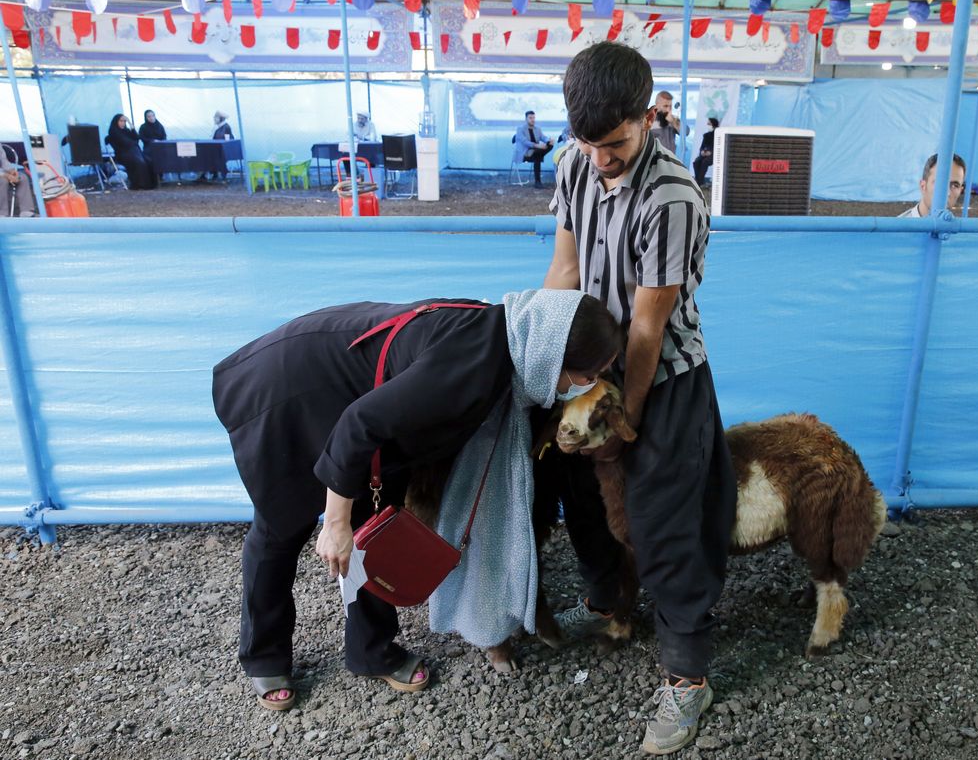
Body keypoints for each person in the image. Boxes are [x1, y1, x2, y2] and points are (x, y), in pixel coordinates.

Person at [212, 291, 621, 712]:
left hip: (371, 414)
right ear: (553, 356)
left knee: (377, 527)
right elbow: (359, 423)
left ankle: (371, 650)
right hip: (290, 394)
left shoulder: (515, 336)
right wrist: (335, 522)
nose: (586, 385)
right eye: (587, 375)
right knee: (282, 527)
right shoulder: (468, 370)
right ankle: (264, 654)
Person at [543, 41, 738, 756]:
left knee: (663, 515)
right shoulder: (574, 163)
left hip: (663, 373)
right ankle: (610, 598)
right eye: (587, 143)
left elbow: (650, 327)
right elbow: (563, 268)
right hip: (589, 363)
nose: (600, 158)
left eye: (615, 142)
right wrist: (544, 362)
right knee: (574, 481)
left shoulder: (673, 197)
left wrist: (627, 421)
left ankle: (688, 676)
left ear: (649, 117)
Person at [899, 152, 966, 217]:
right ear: (923, 186)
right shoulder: (898, 227)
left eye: (955, 186)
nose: (948, 193)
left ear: (960, 190)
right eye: (940, 184)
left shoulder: (962, 227)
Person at [105, 114, 157, 190]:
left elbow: (136, 137)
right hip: (123, 154)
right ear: (116, 122)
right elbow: (125, 142)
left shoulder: (126, 130)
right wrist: (134, 143)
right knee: (140, 162)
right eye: (121, 121)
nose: (123, 123)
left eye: (124, 121)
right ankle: (140, 185)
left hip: (134, 152)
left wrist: (130, 124)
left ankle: (151, 184)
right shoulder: (113, 131)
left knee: (149, 161)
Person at [512, 110, 553, 188]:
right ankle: (538, 182)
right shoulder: (520, 129)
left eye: (533, 117)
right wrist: (537, 145)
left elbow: (543, 137)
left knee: (549, 146)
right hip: (524, 152)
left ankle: (538, 182)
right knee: (538, 154)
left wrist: (548, 141)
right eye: (530, 118)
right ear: (526, 119)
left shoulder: (538, 128)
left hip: (536, 151)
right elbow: (524, 142)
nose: (532, 119)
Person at [1, 148, 36, 217]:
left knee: (23, 178)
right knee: (3, 181)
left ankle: (26, 211)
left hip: (2, 172)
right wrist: (5, 175)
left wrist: (12, 171)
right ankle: (1, 213)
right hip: (1, 175)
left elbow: (3, 160)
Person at [692, 117, 719, 186]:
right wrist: (702, 152)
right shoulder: (706, 135)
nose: (707, 125)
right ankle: (700, 181)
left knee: (704, 162)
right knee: (696, 162)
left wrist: (711, 152)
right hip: (705, 154)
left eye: (709, 124)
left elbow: (718, 146)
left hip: (715, 154)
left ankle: (699, 182)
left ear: (713, 124)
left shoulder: (719, 134)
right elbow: (702, 146)